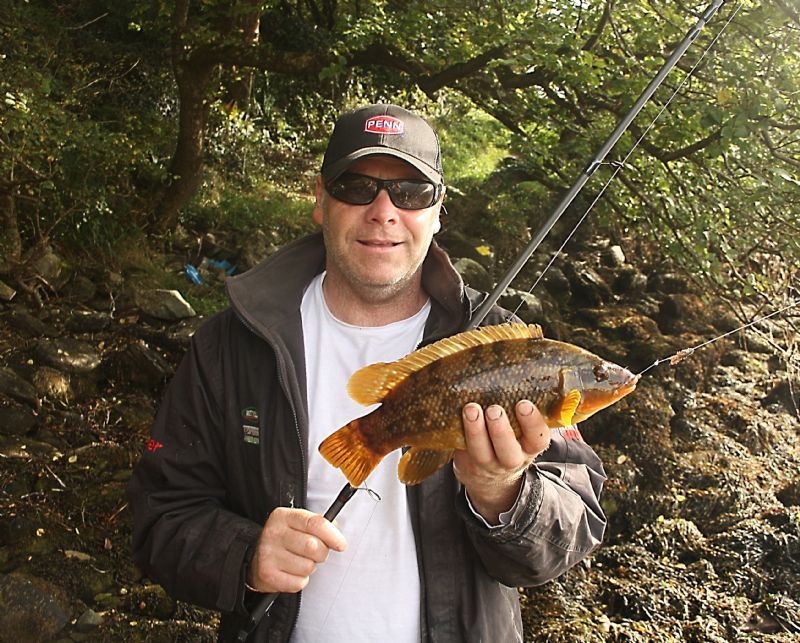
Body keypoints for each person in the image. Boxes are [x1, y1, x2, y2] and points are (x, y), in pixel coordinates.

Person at [128, 103, 608, 642]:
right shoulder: (232, 345)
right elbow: (160, 514)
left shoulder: (508, 344)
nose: (383, 211)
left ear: (438, 210)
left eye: (411, 192)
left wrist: (503, 493)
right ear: (320, 199)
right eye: (357, 187)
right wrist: (245, 555)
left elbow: (575, 524)